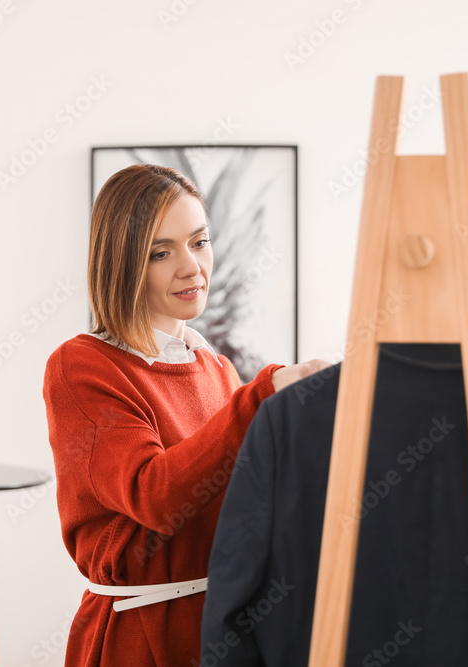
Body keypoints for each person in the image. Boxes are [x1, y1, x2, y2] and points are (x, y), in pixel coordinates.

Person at [42, 163, 329, 665]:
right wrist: (263, 397)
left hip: (225, 626)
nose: (192, 267)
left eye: (199, 241)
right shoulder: (82, 365)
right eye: (161, 252)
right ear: (123, 261)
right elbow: (154, 495)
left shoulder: (216, 369)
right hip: (141, 637)